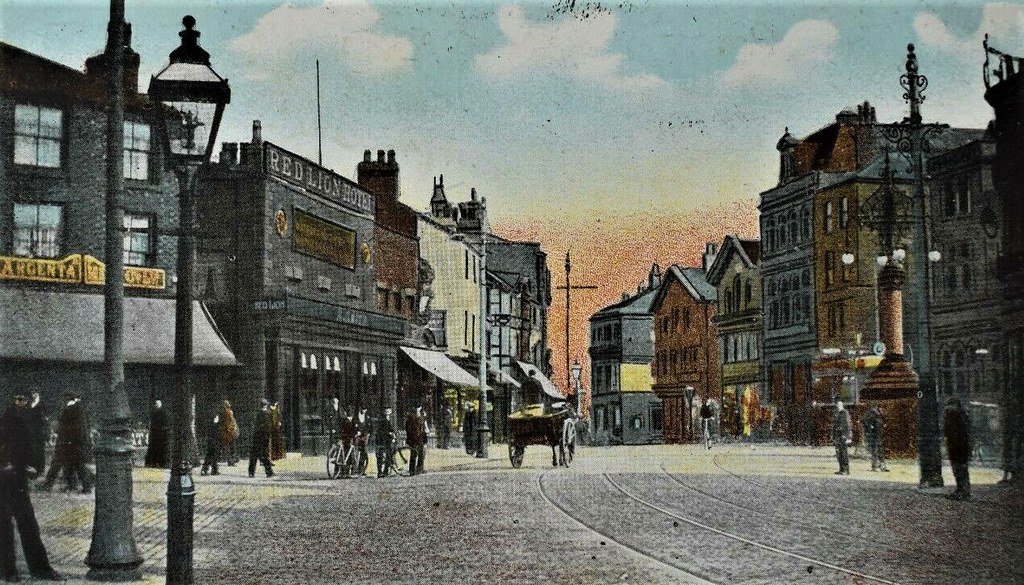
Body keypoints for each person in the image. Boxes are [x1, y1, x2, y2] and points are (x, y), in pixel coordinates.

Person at [0, 394, 62, 582]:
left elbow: (32, 446)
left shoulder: (26, 418)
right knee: (7, 525)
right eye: (18, 399)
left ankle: (33, 568)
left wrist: (32, 467)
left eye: (24, 400)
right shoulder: (8, 419)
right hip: (5, 476)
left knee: (26, 524)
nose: (21, 403)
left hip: (18, 476)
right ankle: (10, 570)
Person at [39, 394, 92, 493]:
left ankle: (48, 485)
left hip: (68, 443)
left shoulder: (71, 409)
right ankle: (77, 487)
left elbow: (69, 428)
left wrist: (65, 439)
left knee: (59, 464)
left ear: (67, 399)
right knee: (74, 466)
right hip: (74, 444)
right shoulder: (79, 409)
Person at [944, 396, 973, 500]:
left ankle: (964, 490)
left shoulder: (960, 416)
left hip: (960, 446)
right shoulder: (950, 416)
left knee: (961, 468)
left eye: (951, 405)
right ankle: (960, 489)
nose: (949, 408)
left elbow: (965, 432)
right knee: (957, 468)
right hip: (954, 445)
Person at [248, 399, 274, 478]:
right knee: (265, 455)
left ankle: (251, 472)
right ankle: (269, 472)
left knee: (254, 456)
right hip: (265, 437)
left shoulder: (259, 414)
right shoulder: (269, 414)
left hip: (257, 437)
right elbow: (269, 427)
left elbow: (256, 426)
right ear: (266, 405)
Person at [863, 404, 889, 472]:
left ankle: (881, 466)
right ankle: (876, 466)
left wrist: (883, 425)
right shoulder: (873, 413)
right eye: (882, 409)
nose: (883, 411)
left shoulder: (880, 414)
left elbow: (882, 422)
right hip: (874, 435)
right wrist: (870, 429)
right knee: (875, 451)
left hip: (878, 435)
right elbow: (866, 422)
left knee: (879, 450)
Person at [27, 392, 48, 476]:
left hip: (40, 431)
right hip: (32, 431)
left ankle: (41, 469)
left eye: (35, 393)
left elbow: (45, 418)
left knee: (40, 450)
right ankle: (33, 467)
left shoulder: (42, 404)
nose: (33, 395)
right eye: (32, 393)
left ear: (38, 394)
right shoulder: (30, 403)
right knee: (32, 449)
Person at [144, 399, 169, 469]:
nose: (156, 406)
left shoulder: (160, 412)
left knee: (156, 449)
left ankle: (155, 463)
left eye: (157, 404)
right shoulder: (157, 412)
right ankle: (156, 463)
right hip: (157, 433)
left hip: (157, 433)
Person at [832, 400, 852, 475]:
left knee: (844, 453)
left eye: (839, 405)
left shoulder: (844, 413)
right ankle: (841, 469)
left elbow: (847, 425)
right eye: (837, 405)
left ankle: (846, 470)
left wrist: (847, 436)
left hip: (843, 436)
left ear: (841, 405)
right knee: (839, 453)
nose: (838, 407)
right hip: (838, 436)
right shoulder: (837, 413)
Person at [406, 406, 427, 476]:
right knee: (414, 454)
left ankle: (419, 468)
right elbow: (410, 429)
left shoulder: (419, 418)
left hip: (419, 438)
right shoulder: (412, 418)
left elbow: (422, 428)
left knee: (421, 453)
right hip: (414, 438)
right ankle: (412, 470)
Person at [375, 407, 395, 478]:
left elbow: (391, 428)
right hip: (381, 440)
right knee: (380, 456)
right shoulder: (382, 419)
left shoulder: (390, 419)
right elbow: (382, 430)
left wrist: (392, 433)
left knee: (389, 455)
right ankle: (380, 472)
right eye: (386, 410)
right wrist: (389, 433)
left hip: (387, 440)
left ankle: (386, 471)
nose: (387, 411)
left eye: (389, 410)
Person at [219, 400, 239, 466]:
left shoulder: (224, 412)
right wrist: (233, 429)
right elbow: (231, 422)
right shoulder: (228, 412)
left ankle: (230, 460)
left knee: (228, 447)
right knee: (231, 446)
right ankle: (231, 460)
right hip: (229, 432)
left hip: (227, 431)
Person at [200, 412, 221, 476]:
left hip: (212, 442)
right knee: (210, 456)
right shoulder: (214, 426)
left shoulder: (213, 425)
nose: (218, 419)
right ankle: (206, 469)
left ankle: (214, 470)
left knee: (212, 456)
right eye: (216, 418)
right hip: (213, 442)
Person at [355, 408, 371, 476]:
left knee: (363, 453)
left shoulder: (367, 417)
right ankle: (353, 469)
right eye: (363, 409)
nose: (364, 411)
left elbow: (368, 427)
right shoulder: (355, 417)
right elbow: (354, 425)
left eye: (365, 410)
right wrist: (356, 431)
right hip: (357, 436)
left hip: (364, 437)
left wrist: (367, 434)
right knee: (354, 452)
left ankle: (361, 469)